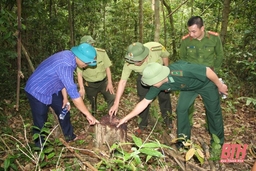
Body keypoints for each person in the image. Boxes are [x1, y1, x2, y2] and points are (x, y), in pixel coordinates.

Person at [116, 61, 228, 148]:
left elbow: (207, 71)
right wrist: (126, 118)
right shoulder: (157, 85)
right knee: (181, 109)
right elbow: (144, 102)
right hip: (188, 88)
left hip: (205, 84)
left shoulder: (180, 71)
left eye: (152, 82)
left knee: (213, 112)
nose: (151, 85)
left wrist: (220, 85)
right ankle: (183, 141)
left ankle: (218, 143)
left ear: (159, 77)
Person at [25, 43, 99, 148]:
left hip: (53, 88)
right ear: (80, 57)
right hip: (37, 89)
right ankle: (40, 149)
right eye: (86, 63)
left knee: (64, 110)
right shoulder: (66, 64)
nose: (86, 66)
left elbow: (63, 79)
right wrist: (88, 114)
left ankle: (70, 137)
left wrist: (65, 98)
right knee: (40, 120)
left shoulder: (69, 57)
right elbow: (74, 94)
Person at [109, 42, 172, 135]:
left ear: (144, 56)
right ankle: (142, 124)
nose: (134, 63)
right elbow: (122, 82)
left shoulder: (155, 48)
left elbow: (165, 55)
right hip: (144, 78)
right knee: (143, 99)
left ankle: (168, 122)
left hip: (159, 76)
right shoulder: (129, 63)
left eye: (137, 61)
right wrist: (116, 103)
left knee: (164, 98)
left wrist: (166, 72)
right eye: (132, 61)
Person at [179, 16, 224, 126]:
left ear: (202, 28)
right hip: (191, 77)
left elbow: (220, 55)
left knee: (212, 108)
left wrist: (214, 72)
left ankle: (211, 130)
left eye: (194, 31)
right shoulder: (186, 41)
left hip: (209, 77)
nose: (191, 34)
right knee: (186, 106)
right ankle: (187, 128)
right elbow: (183, 58)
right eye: (189, 31)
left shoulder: (214, 38)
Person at [77, 35, 115, 115]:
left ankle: (112, 117)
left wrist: (110, 83)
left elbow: (107, 68)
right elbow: (79, 73)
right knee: (92, 102)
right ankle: (93, 118)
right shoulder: (80, 57)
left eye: (91, 44)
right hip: (90, 84)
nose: (90, 46)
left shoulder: (101, 53)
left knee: (112, 97)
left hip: (103, 82)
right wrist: (81, 87)